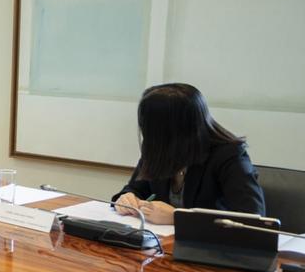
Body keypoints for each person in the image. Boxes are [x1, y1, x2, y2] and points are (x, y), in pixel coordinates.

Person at [113, 83, 264, 225]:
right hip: (161, 244)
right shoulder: (159, 150)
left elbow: (251, 219)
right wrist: (127, 198)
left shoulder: (229, 155)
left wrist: (178, 217)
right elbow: (136, 189)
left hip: (212, 249)